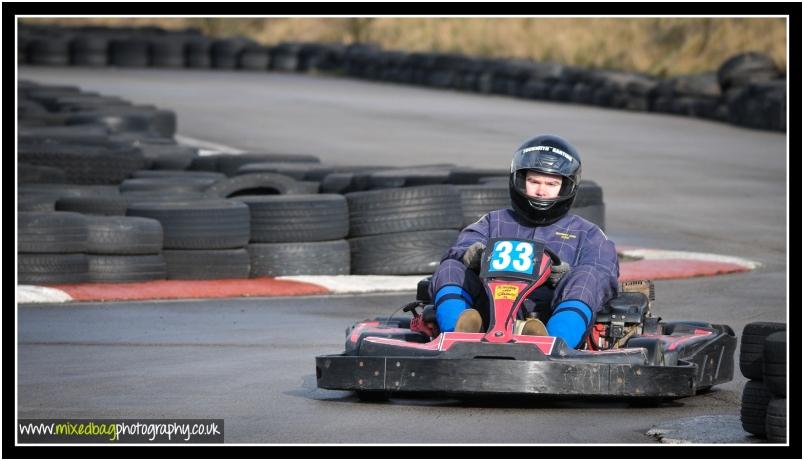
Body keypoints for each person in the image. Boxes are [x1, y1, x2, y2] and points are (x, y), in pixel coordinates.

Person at [428, 134, 619, 349]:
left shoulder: (587, 233)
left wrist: (564, 275)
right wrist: (471, 254)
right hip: (488, 308)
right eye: (534, 181)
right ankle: (457, 335)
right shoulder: (494, 221)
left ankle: (554, 343)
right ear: (519, 180)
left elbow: (604, 273)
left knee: (588, 276)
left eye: (551, 184)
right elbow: (459, 249)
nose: (541, 190)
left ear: (567, 187)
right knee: (451, 267)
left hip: (548, 311)